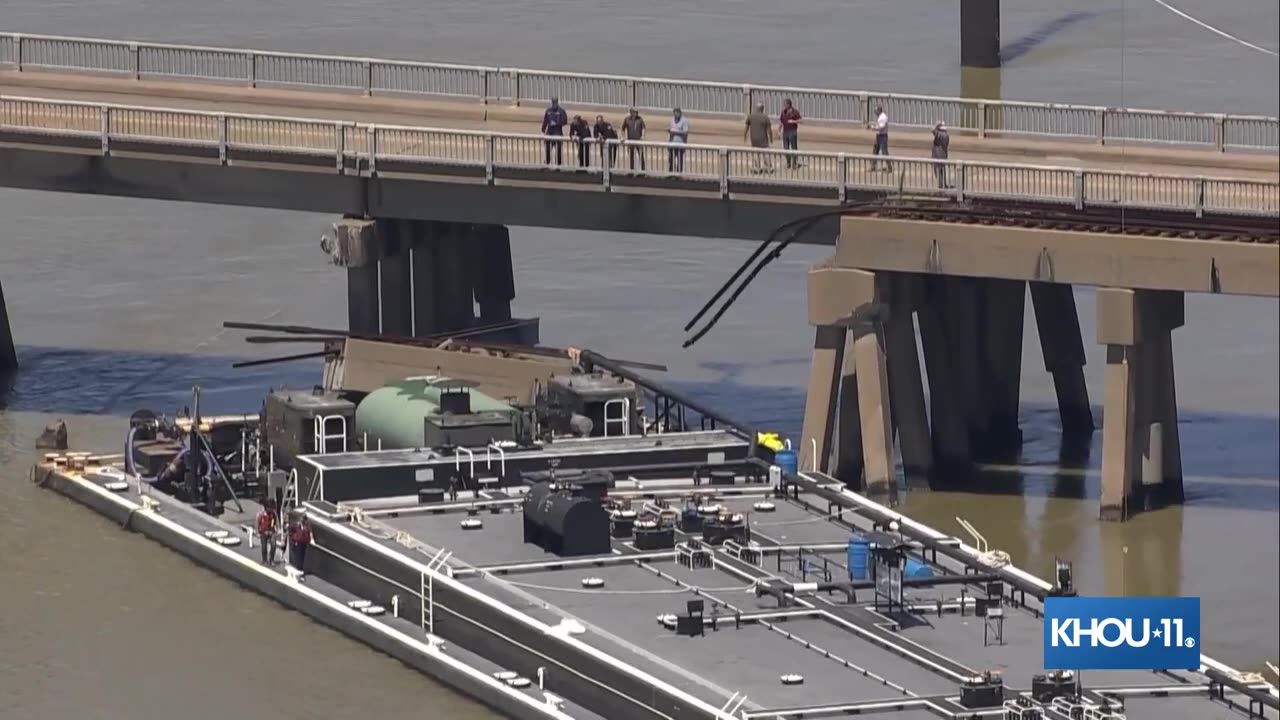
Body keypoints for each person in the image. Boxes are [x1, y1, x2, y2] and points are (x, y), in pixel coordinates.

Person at [744, 102, 774, 174]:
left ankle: (756, 168)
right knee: (765, 153)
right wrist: (771, 138)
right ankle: (768, 168)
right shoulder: (765, 117)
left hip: (754, 139)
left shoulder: (750, 116)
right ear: (762, 109)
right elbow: (769, 130)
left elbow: (746, 128)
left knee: (755, 153)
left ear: (756, 109)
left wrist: (745, 136)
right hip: (763, 139)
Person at [541, 97, 568, 166]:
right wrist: (543, 129)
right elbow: (545, 120)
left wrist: (557, 123)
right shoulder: (548, 110)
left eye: (555, 102)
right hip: (549, 131)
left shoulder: (561, 111)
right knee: (548, 148)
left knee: (558, 149)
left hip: (557, 131)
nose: (554, 103)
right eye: (553, 102)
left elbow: (565, 121)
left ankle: (558, 163)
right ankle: (547, 162)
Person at [779, 98, 802, 169]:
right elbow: (781, 122)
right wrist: (779, 130)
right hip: (785, 131)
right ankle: (788, 163)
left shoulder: (795, 112)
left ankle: (794, 163)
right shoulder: (783, 112)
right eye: (784, 104)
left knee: (794, 148)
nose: (784, 106)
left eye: (785, 104)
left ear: (789, 104)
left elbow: (800, 120)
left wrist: (793, 121)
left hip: (792, 131)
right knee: (786, 148)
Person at [255, 500, 278, 565]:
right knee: (264, 547)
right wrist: (258, 531)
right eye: (270, 508)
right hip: (263, 531)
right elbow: (257, 523)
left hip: (271, 531)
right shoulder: (260, 514)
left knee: (273, 545)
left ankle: (272, 559)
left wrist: (275, 529)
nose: (271, 510)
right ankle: (264, 560)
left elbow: (274, 521)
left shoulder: (273, 514)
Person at [668, 107, 689, 173]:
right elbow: (671, 132)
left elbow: (685, 132)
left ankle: (679, 173)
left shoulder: (684, 120)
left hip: (680, 143)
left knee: (680, 159)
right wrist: (668, 142)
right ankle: (671, 172)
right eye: (674, 113)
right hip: (672, 143)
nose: (675, 115)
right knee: (671, 159)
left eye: (677, 113)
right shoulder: (672, 120)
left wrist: (676, 132)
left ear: (680, 113)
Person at [870, 105, 891, 171]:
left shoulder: (883, 117)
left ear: (879, 110)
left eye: (876, 111)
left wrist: (872, 128)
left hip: (883, 136)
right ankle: (873, 166)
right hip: (878, 136)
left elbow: (880, 127)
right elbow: (878, 125)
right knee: (875, 150)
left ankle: (889, 167)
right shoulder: (880, 117)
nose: (875, 113)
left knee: (884, 152)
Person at [931, 121, 950, 188]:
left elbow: (933, 130)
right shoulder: (946, 135)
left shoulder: (940, 135)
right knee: (941, 171)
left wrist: (937, 124)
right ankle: (943, 184)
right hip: (943, 155)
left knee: (938, 171)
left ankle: (941, 186)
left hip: (938, 155)